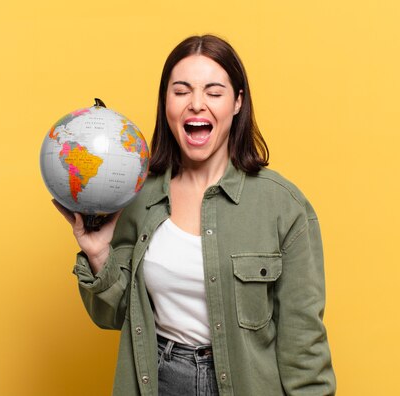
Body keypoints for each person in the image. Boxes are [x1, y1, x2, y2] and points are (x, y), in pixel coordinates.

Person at [54, 34, 336, 396]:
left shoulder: (283, 206)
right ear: (166, 103)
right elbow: (113, 316)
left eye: (214, 92)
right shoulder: (136, 196)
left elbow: (304, 344)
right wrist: (97, 254)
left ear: (237, 103)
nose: (196, 104)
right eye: (181, 91)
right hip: (158, 380)